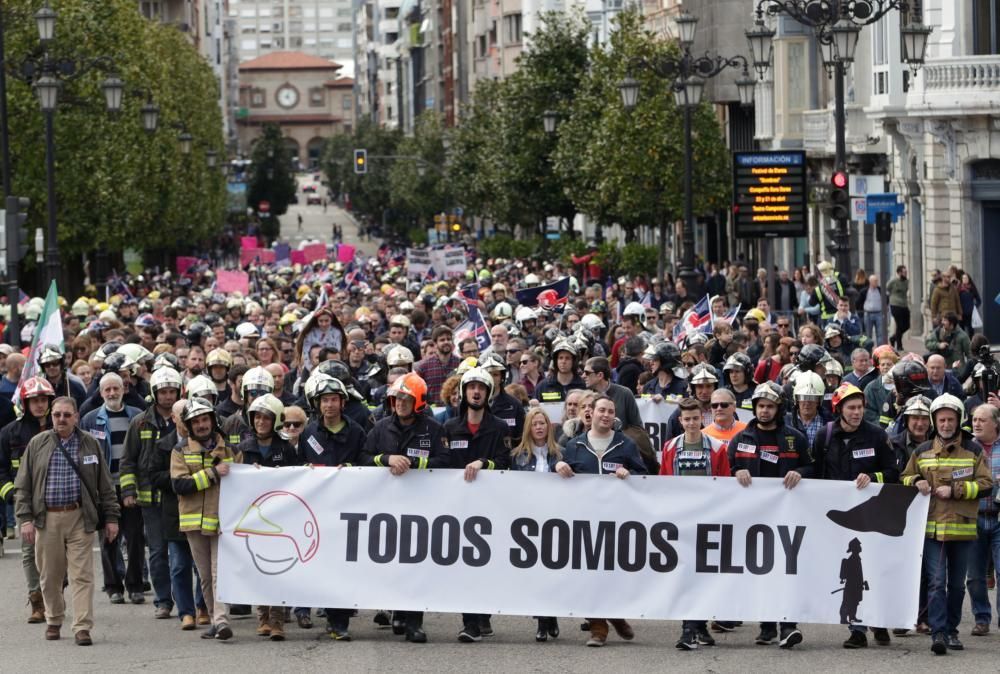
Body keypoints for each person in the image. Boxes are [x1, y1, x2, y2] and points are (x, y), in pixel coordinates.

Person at [15, 396, 121, 646]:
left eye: (66, 415)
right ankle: (53, 618)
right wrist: (25, 519)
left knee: (82, 576)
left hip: (79, 518)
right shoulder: (37, 443)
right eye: (57, 415)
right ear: (51, 416)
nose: (61, 419)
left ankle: (82, 626)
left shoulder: (90, 444)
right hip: (46, 518)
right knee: (50, 575)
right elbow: (23, 485)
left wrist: (112, 518)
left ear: (76, 416)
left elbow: (105, 485)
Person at [901, 394, 991, 655]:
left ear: (958, 420)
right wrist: (916, 479)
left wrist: (956, 490)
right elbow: (904, 476)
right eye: (941, 419)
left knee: (956, 585)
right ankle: (938, 633)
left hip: (962, 530)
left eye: (951, 419)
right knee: (937, 582)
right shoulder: (922, 450)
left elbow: (986, 485)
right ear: (934, 421)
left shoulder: (973, 450)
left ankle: (952, 631)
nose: (946, 424)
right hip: (931, 530)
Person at [362, 373, 449, 643]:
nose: (400, 403)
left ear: (418, 401)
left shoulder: (433, 430)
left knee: (416, 563)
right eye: (397, 397)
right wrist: (387, 459)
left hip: (421, 507)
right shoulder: (380, 428)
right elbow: (364, 458)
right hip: (386, 507)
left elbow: (446, 461)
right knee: (391, 561)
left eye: (406, 398)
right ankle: (397, 611)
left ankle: (414, 621)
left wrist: (412, 463)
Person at [811, 383, 899, 647]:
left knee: (874, 570)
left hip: (871, 517)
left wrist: (872, 478)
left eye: (860, 407)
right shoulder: (824, 436)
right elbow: (816, 473)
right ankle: (857, 629)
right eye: (851, 407)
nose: (857, 412)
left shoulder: (876, 435)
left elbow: (893, 473)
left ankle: (880, 621)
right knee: (854, 574)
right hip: (840, 519)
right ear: (839, 409)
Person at [557, 396, 645, 647]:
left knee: (612, 573)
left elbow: (644, 475)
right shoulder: (574, 445)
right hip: (583, 521)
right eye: (601, 410)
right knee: (586, 574)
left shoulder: (625, 444)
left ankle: (615, 614)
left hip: (616, 520)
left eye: (610, 411)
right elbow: (559, 470)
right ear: (591, 413)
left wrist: (630, 474)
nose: (606, 415)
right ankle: (598, 628)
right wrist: (559, 464)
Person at [729, 382, 810, 647]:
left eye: (770, 406)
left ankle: (788, 626)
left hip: (787, 516)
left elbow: (812, 466)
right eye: (761, 406)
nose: (764, 411)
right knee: (761, 570)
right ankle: (766, 627)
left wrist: (801, 472)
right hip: (753, 518)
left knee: (786, 571)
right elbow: (726, 470)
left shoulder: (795, 437)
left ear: (779, 409)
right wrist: (735, 472)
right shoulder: (741, 438)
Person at [298, 375, 366, 637]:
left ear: (342, 403)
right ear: (318, 404)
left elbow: (366, 463)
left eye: (333, 400)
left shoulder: (357, 432)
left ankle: (340, 622)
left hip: (349, 508)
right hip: (318, 510)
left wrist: (348, 470)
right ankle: (327, 611)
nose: (329, 405)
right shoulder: (309, 433)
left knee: (344, 564)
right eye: (324, 400)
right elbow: (298, 464)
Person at [445, 367, 510, 643]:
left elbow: (506, 462)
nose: (476, 392)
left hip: (489, 507)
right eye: (471, 387)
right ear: (463, 392)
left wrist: (484, 463)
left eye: (481, 388)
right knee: (464, 564)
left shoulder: (499, 428)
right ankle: (469, 622)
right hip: (458, 507)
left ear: (488, 393)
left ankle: (483, 614)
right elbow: (441, 464)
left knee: (486, 562)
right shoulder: (449, 428)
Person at [660, 397, 730, 649]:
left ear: (703, 419)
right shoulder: (669, 448)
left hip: (709, 520)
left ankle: (696, 626)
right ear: (680, 421)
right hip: (681, 520)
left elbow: (724, 483)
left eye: (695, 418)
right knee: (686, 574)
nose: (691, 423)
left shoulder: (718, 447)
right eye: (686, 419)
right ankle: (690, 628)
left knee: (703, 575)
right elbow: (664, 483)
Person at [171, 398, 241, 641]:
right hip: (194, 524)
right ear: (189, 426)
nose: (201, 425)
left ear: (213, 420)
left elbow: (244, 481)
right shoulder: (180, 451)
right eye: (196, 422)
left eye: (205, 419)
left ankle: (221, 621)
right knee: (205, 577)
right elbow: (180, 485)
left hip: (223, 522)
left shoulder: (230, 450)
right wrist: (212, 473)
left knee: (219, 573)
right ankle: (214, 619)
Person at [119, 366, 182, 619]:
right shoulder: (140, 422)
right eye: (163, 392)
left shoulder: (185, 419)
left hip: (180, 496)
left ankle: (186, 602)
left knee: (181, 553)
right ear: (155, 393)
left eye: (172, 391)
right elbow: (128, 460)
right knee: (157, 552)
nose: (168, 396)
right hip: (151, 500)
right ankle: (163, 601)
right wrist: (129, 491)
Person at [239, 394, 300, 641]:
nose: (261, 422)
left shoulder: (286, 448)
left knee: (278, 569)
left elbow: (297, 477)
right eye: (257, 417)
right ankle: (262, 617)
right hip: (254, 519)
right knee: (258, 569)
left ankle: (277, 620)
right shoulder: (243, 449)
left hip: (281, 519)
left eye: (266, 417)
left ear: (275, 421)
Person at [80, 373, 143, 605]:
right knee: (108, 538)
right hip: (104, 489)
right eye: (107, 390)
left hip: (130, 486)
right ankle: (113, 586)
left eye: (116, 389)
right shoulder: (90, 419)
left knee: (135, 537)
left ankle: (135, 585)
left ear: (123, 389)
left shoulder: (137, 417)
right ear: (101, 392)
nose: (112, 394)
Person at [150, 399, 209, 631]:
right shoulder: (164, 445)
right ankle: (186, 612)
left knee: (202, 566)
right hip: (174, 513)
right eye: (181, 415)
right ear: (173, 419)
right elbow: (154, 475)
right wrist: (179, 480)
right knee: (179, 566)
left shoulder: (208, 442)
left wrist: (190, 479)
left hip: (202, 510)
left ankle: (203, 606)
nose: (186, 420)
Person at [0, 376, 55, 623]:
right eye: (34, 401)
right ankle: (37, 601)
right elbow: (1, 470)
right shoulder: (10, 433)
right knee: (29, 552)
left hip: (58, 499)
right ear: (25, 402)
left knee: (58, 554)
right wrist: (11, 493)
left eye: (44, 400)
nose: (40, 405)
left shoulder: (61, 429)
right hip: (26, 501)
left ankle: (54, 593)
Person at [968, 404, 1000, 636]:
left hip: (999, 518)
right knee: (976, 575)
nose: (976, 424)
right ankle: (981, 618)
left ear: (996, 423)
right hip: (973, 518)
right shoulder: (966, 447)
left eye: (982, 420)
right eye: (974, 419)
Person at [413, 325, 461, 405]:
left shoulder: (460, 363)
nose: (446, 342)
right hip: (434, 412)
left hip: (456, 409)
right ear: (435, 344)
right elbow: (417, 391)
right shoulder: (423, 366)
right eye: (442, 340)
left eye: (449, 339)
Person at [886, 265, 910, 350]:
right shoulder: (893, 281)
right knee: (899, 325)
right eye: (904, 272)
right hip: (895, 305)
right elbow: (887, 289)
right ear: (899, 273)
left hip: (904, 304)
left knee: (906, 325)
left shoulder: (906, 281)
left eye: (906, 272)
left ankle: (893, 338)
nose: (905, 274)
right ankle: (899, 345)